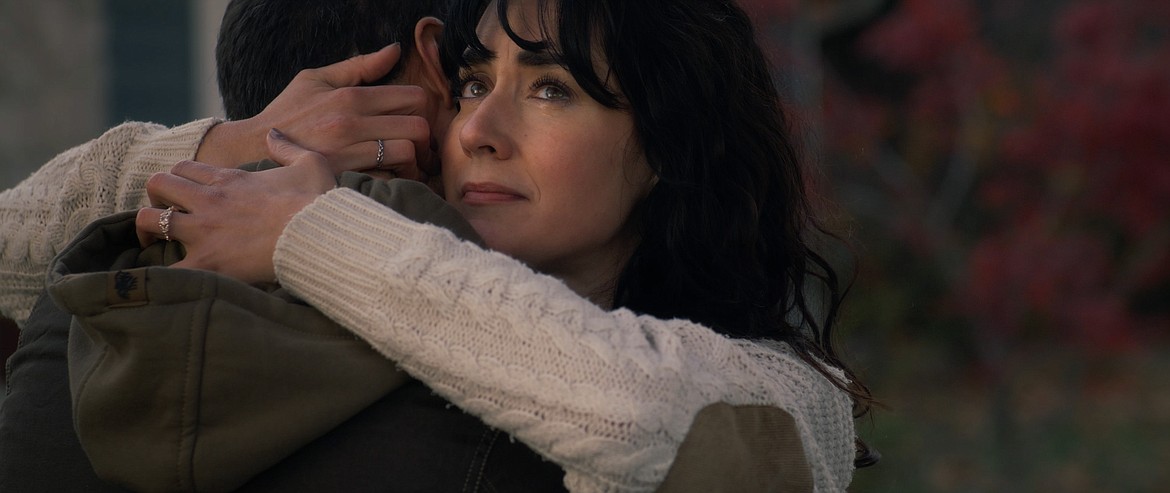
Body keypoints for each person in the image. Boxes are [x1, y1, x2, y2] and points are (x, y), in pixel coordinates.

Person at [139, 0, 877, 490]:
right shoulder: (348, 355)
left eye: (552, 88)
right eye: (472, 83)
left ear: (669, 147)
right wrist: (223, 150)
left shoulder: (792, 395)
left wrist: (315, 232)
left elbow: (637, 406)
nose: (476, 131)